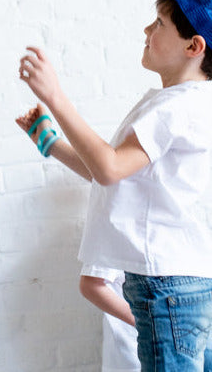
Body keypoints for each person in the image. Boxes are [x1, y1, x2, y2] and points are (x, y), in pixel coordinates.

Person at [16, 0, 212, 372]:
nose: (147, 31)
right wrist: (51, 142)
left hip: (166, 286)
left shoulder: (176, 109)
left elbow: (107, 167)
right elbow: (109, 171)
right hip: (175, 284)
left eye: (159, 23)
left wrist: (56, 96)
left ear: (194, 47)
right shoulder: (178, 104)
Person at [17, 105, 140, 372]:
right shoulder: (124, 218)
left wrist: (51, 143)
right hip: (136, 353)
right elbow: (92, 286)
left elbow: (109, 177)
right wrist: (151, 322)